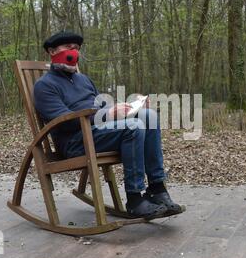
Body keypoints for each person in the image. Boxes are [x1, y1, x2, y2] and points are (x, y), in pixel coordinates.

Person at [34, 31, 184, 219]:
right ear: (52, 51)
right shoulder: (44, 85)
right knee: (134, 126)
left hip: (97, 133)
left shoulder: (83, 79)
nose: (74, 52)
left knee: (148, 117)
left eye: (77, 48)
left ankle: (157, 189)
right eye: (68, 48)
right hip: (75, 141)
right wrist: (107, 114)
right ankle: (135, 199)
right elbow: (65, 122)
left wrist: (131, 106)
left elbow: (105, 107)